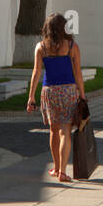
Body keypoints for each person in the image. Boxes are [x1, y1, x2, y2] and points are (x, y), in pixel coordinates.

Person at [27, 13, 86, 182]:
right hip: (68, 90)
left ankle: (56, 166)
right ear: (63, 27)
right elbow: (78, 73)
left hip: (49, 91)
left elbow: (36, 72)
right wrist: (82, 95)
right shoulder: (72, 46)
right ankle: (63, 171)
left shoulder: (41, 47)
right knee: (65, 131)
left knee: (53, 130)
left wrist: (31, 96)